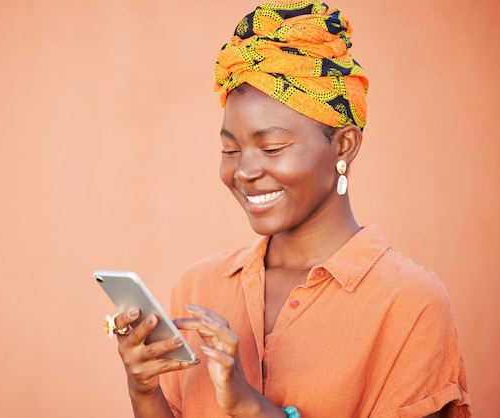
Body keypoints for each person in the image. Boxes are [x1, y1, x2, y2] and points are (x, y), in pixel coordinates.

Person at [103, 1, 472, 417]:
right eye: (230, 149)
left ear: (344, 145)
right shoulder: (198, 289)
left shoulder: (408, 304)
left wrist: (250, 406)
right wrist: (145, 391)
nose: (243, 171)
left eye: (272, 147)